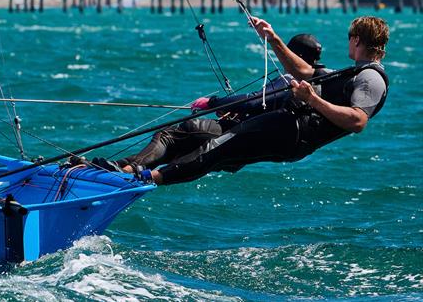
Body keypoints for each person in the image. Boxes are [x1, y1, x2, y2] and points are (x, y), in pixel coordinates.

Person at [147, 16, 389, 186]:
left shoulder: (370, 77)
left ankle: (148, 179)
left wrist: (312, 99)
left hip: (293, 133)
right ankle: (138, 173)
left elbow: (357, 121)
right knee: (217, 149)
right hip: (288, 127)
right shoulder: (355, 72)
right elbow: (304, 72)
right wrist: (272, 38)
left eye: (349, 38)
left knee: (218, 148)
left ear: (356, 40)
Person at [93, 33, 325, 176]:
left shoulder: (292, 81)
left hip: (237, 136)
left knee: (172, 134)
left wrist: (212, 102)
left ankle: (126, 171)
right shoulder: (317, 85)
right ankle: (116, 168)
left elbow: (253, 100)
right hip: (249, 144)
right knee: (178, 147)